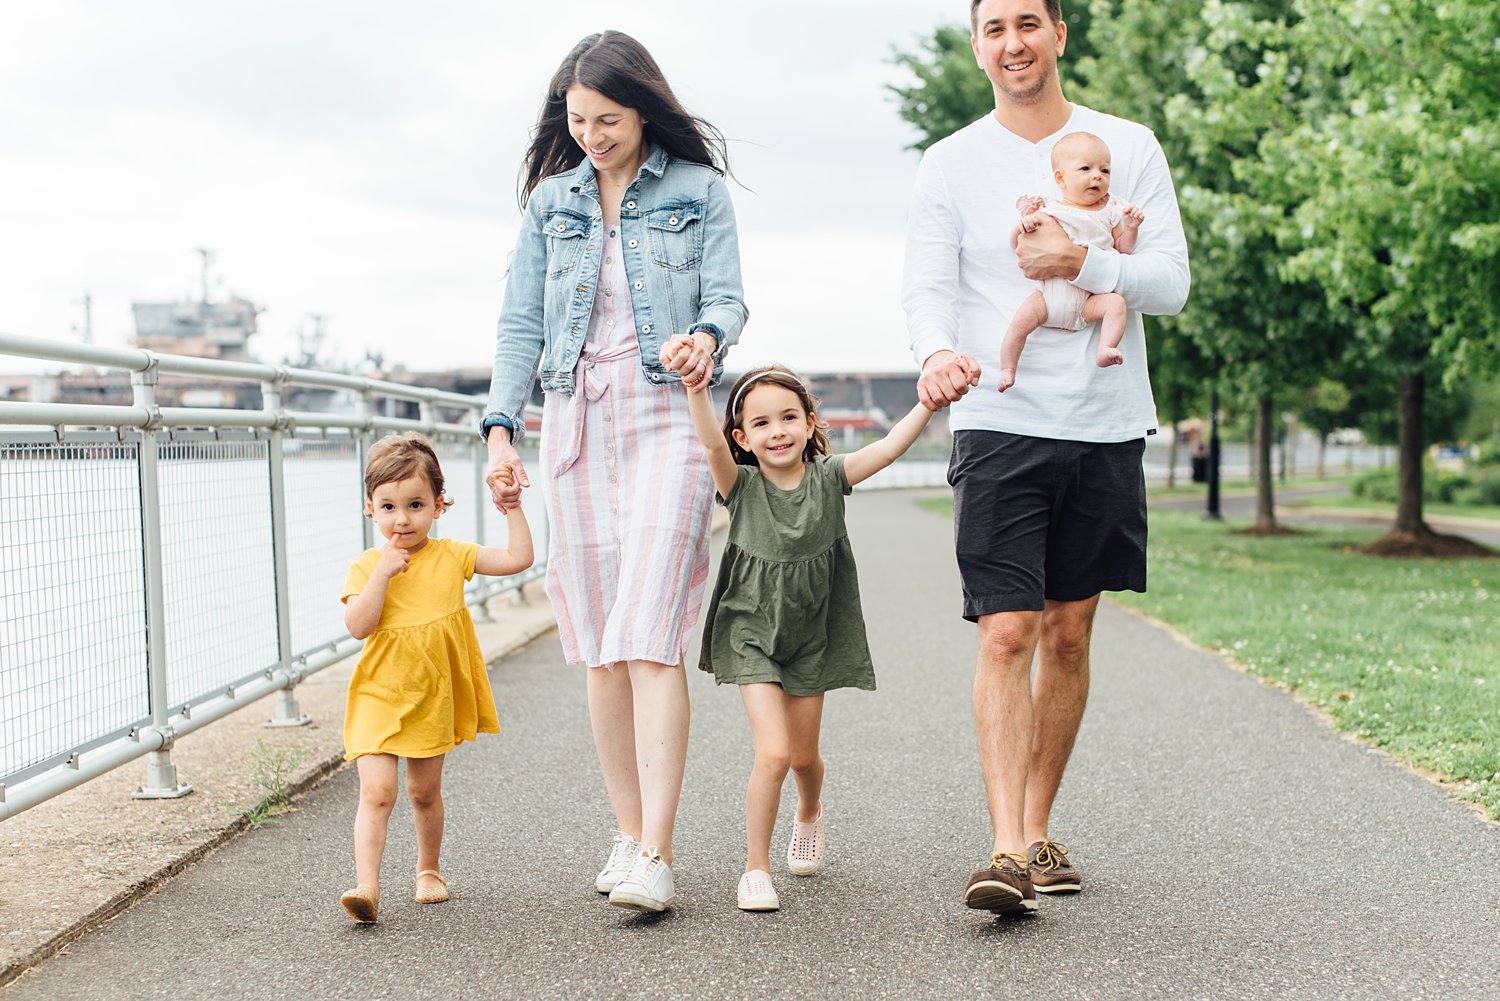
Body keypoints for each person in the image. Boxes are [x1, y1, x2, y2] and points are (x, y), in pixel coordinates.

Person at [902, 0, 1190, 915]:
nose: (1012, 43)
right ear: (977, 42)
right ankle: (1006, 848)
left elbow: (1171, 283)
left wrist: (1084, 264)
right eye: (995, 27)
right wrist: (934, 351)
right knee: (1007, 629)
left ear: (1060, 33)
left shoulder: (1128, 143)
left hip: (1104, 421)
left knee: (1068, 632)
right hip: (998, 416)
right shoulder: (950, 161)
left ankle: (1037, 826)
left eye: (1030, 22)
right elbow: (928, 283)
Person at [481, 30, 747, 914]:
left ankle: (660, 853)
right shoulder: (550, 202)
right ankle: (629, 832)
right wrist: (501, 429)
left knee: (648, 628)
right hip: (575, 422)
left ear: (645, 109)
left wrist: (705, 339)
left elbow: (725, 297)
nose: (593, 134)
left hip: (667, 411)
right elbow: (520, 322)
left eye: (609, 119)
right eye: (578, 119)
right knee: (598, 638)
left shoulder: (697, 191)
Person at [667, 361, 949, 911]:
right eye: (763, 423)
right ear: (742, 437)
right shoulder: (740, 486)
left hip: (811, 632)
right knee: (771, 753)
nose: (778, 431)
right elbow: (708, 446)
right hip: (751, 629)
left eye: (789, 417)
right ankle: (755, 869)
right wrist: (697, 390)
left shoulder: (829, 477)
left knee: (801, 757)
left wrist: (930, 404)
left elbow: (888, 449)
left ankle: (810, 811)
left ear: (809, 422)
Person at [338, 433, 534, 924]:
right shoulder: (367, 565)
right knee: (377, 792)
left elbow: (518, 560)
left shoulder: (452, 556)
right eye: (388, 506)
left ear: (439, 505)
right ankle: (367, 886)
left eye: (415, 504)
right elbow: (358, 626)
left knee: (423, 793)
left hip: (429, 698)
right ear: (370, 509)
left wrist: (511, 507)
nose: (401, 518)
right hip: (378, 697)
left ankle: (429, 868)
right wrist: (382, 574)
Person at [998, 131, 1145, 391]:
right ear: (1060, 178)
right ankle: (1008, 368)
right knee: (1018, 326)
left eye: (1105, 170)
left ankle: (1105, 347)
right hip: (1047, 298)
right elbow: (1017, 245)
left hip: (1088, 303)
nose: (1097, 175)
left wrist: (1131, 228)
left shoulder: (1111, 212)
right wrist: (1023, 225)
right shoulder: (1050, 208)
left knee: (1116, 304)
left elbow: (1123, 249)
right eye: (1086, 168)